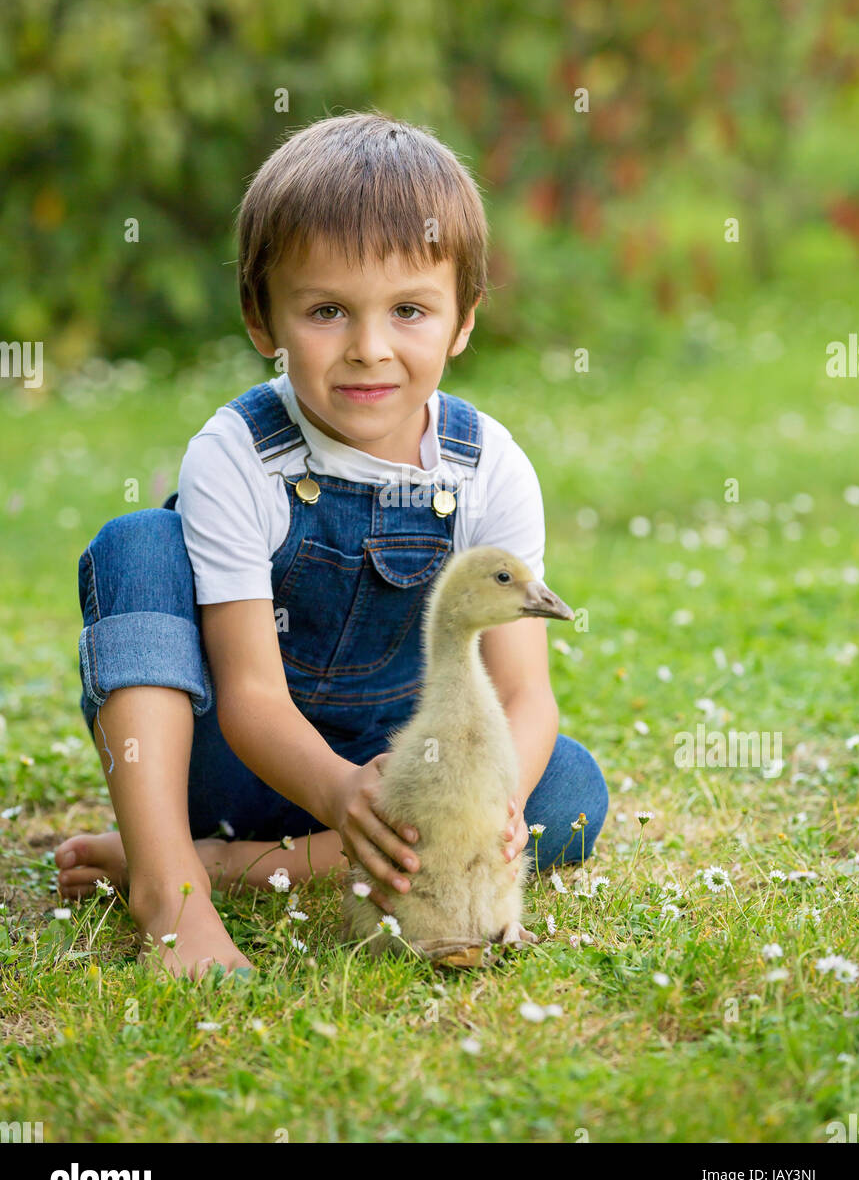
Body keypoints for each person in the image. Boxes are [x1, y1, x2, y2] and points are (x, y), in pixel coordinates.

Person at [55, 111, 608, 977]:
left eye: (409, 310)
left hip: (400, 766)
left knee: (568, 792)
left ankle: (236, 866)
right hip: (234, 764)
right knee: (139, 542)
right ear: (262, 320)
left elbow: (524, 695)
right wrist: (337, 789)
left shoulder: (487, 466)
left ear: (463, 320)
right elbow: (250, 698)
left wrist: (496, 800)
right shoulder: (238, 455)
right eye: (326, 311)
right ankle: (170, 887)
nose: (369, 349)